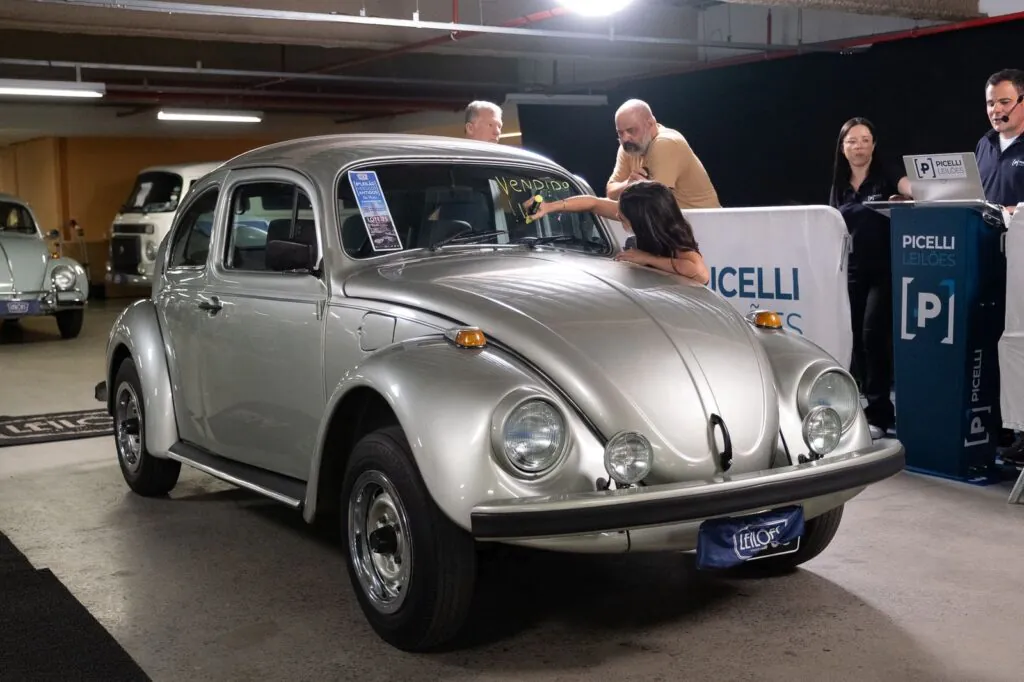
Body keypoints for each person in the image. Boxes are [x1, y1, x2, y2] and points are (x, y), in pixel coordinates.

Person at [829, 117, 912, 441]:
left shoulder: (886, 174)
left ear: (874, 145)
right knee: (854, 341)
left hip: (884, 270)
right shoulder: (839, 183)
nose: (859, 147)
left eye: (865, 140)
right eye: (852, 141)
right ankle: (864, 407)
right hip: (850, 272)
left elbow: (913, 190)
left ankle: (880, 412)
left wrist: (907, 199)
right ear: (842, 147)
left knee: (873, 337)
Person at [529, 180, 709, 285]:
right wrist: (549, 207)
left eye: (623, 216)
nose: (616, 215)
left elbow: (701, 274)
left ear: (642, 220)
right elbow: (594, 203)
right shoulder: (636, 213)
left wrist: (647, 258)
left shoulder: (673, 232)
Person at [606, 99, 720, 210]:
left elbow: (655, 203)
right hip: (674, 220)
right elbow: (610, 192)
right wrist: (628, 185)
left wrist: (597, 205)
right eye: (620, 133)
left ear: (650, 123)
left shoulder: (665, 143)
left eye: (631, 130)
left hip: (704, 219)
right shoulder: (629, 147)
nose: (625, 138)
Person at [976, 68, 1024, 217]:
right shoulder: (984, 143)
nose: (995, 110)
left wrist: (1014, 211)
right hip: (983, 231)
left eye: (1004, 102)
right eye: (990, 103)